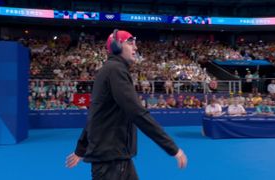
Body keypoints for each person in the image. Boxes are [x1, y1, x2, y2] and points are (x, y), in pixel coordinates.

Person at [65, 30, 187, 180]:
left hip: (116, 158)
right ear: (116, 46)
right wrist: (172, 148)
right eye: (130, 42)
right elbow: (137, 112)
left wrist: (81, 149)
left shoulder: (110, 70)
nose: (136, 47)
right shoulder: (115, 70)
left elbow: (96, 115)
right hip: (112, 161)